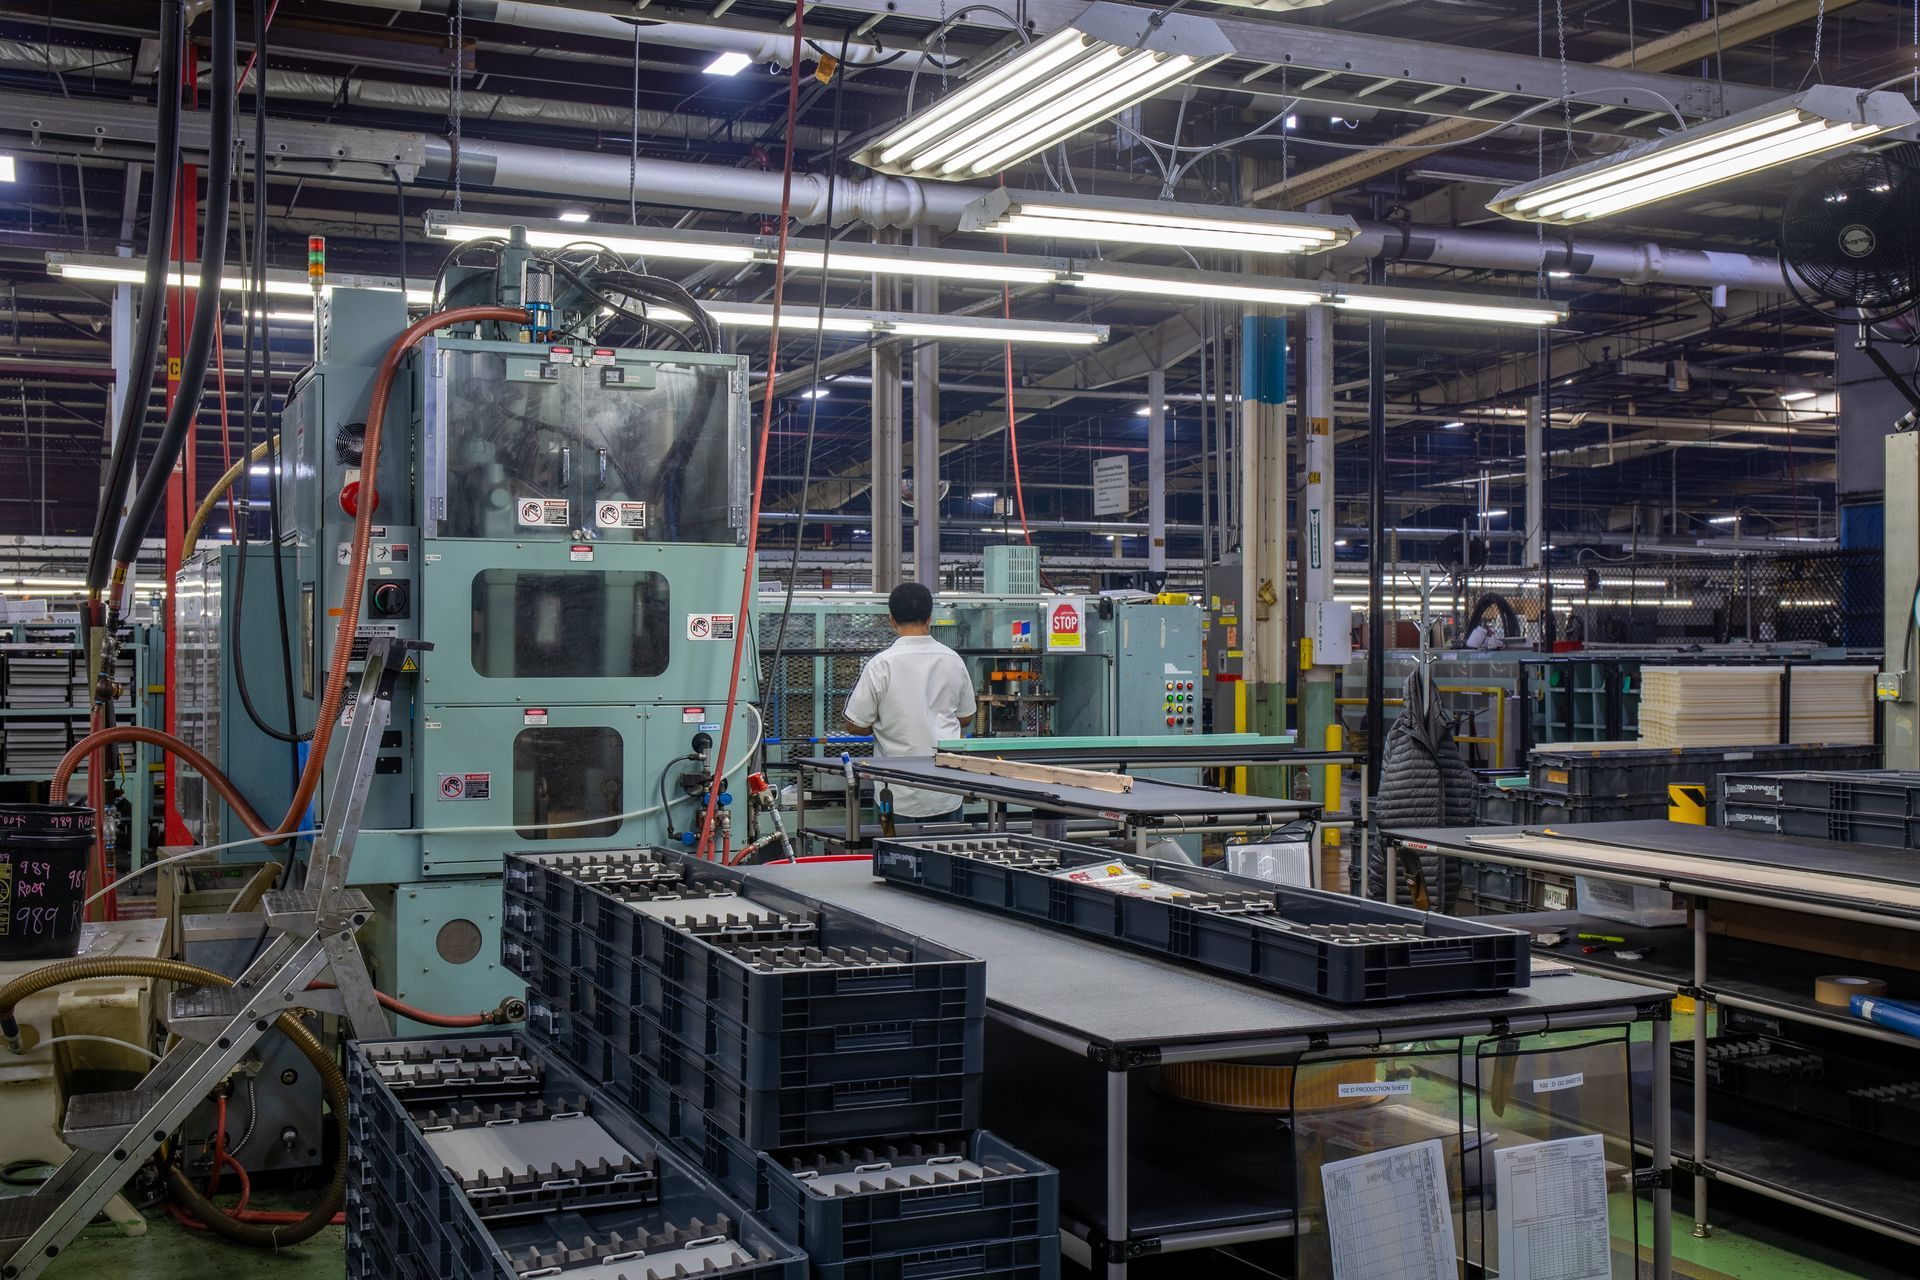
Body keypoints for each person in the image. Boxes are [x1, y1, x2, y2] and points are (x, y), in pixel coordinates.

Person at [844, 582, 976, 824]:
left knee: (896, 858)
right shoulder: (953, 660)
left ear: (891, 620)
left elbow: (854, 724)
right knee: (947, 857)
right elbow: (966, 717)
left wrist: (886, 724)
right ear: (929, 618)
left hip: (897, 791)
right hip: (946, 789)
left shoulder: (881, 664)